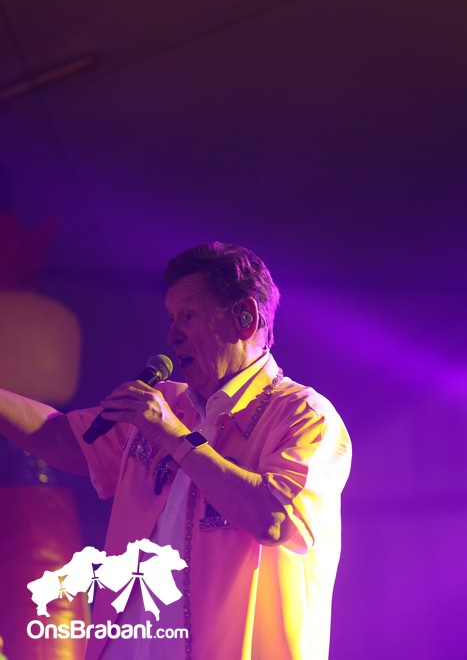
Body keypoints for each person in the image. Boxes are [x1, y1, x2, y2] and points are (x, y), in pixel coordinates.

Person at [0, 241, 352, 660]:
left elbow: (274, 518)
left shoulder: (303, 415)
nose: (172, 335)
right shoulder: (167, 405)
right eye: (171, 318)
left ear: (245, 318)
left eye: (188, 316)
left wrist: (172, 436)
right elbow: (60, 437)